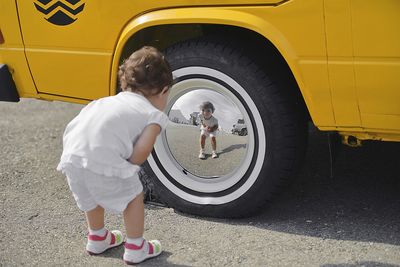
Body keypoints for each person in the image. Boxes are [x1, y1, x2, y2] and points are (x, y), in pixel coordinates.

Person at [56, 46, 173, 264]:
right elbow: (141, 152)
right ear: (164, 90)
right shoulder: (153, 115)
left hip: (72, 157)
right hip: (98, 157)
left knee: (91, 194)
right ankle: (136, 246)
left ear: (125, 84)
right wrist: (128, 166)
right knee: (133, 196)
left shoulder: (106, 101)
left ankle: (97, 237)